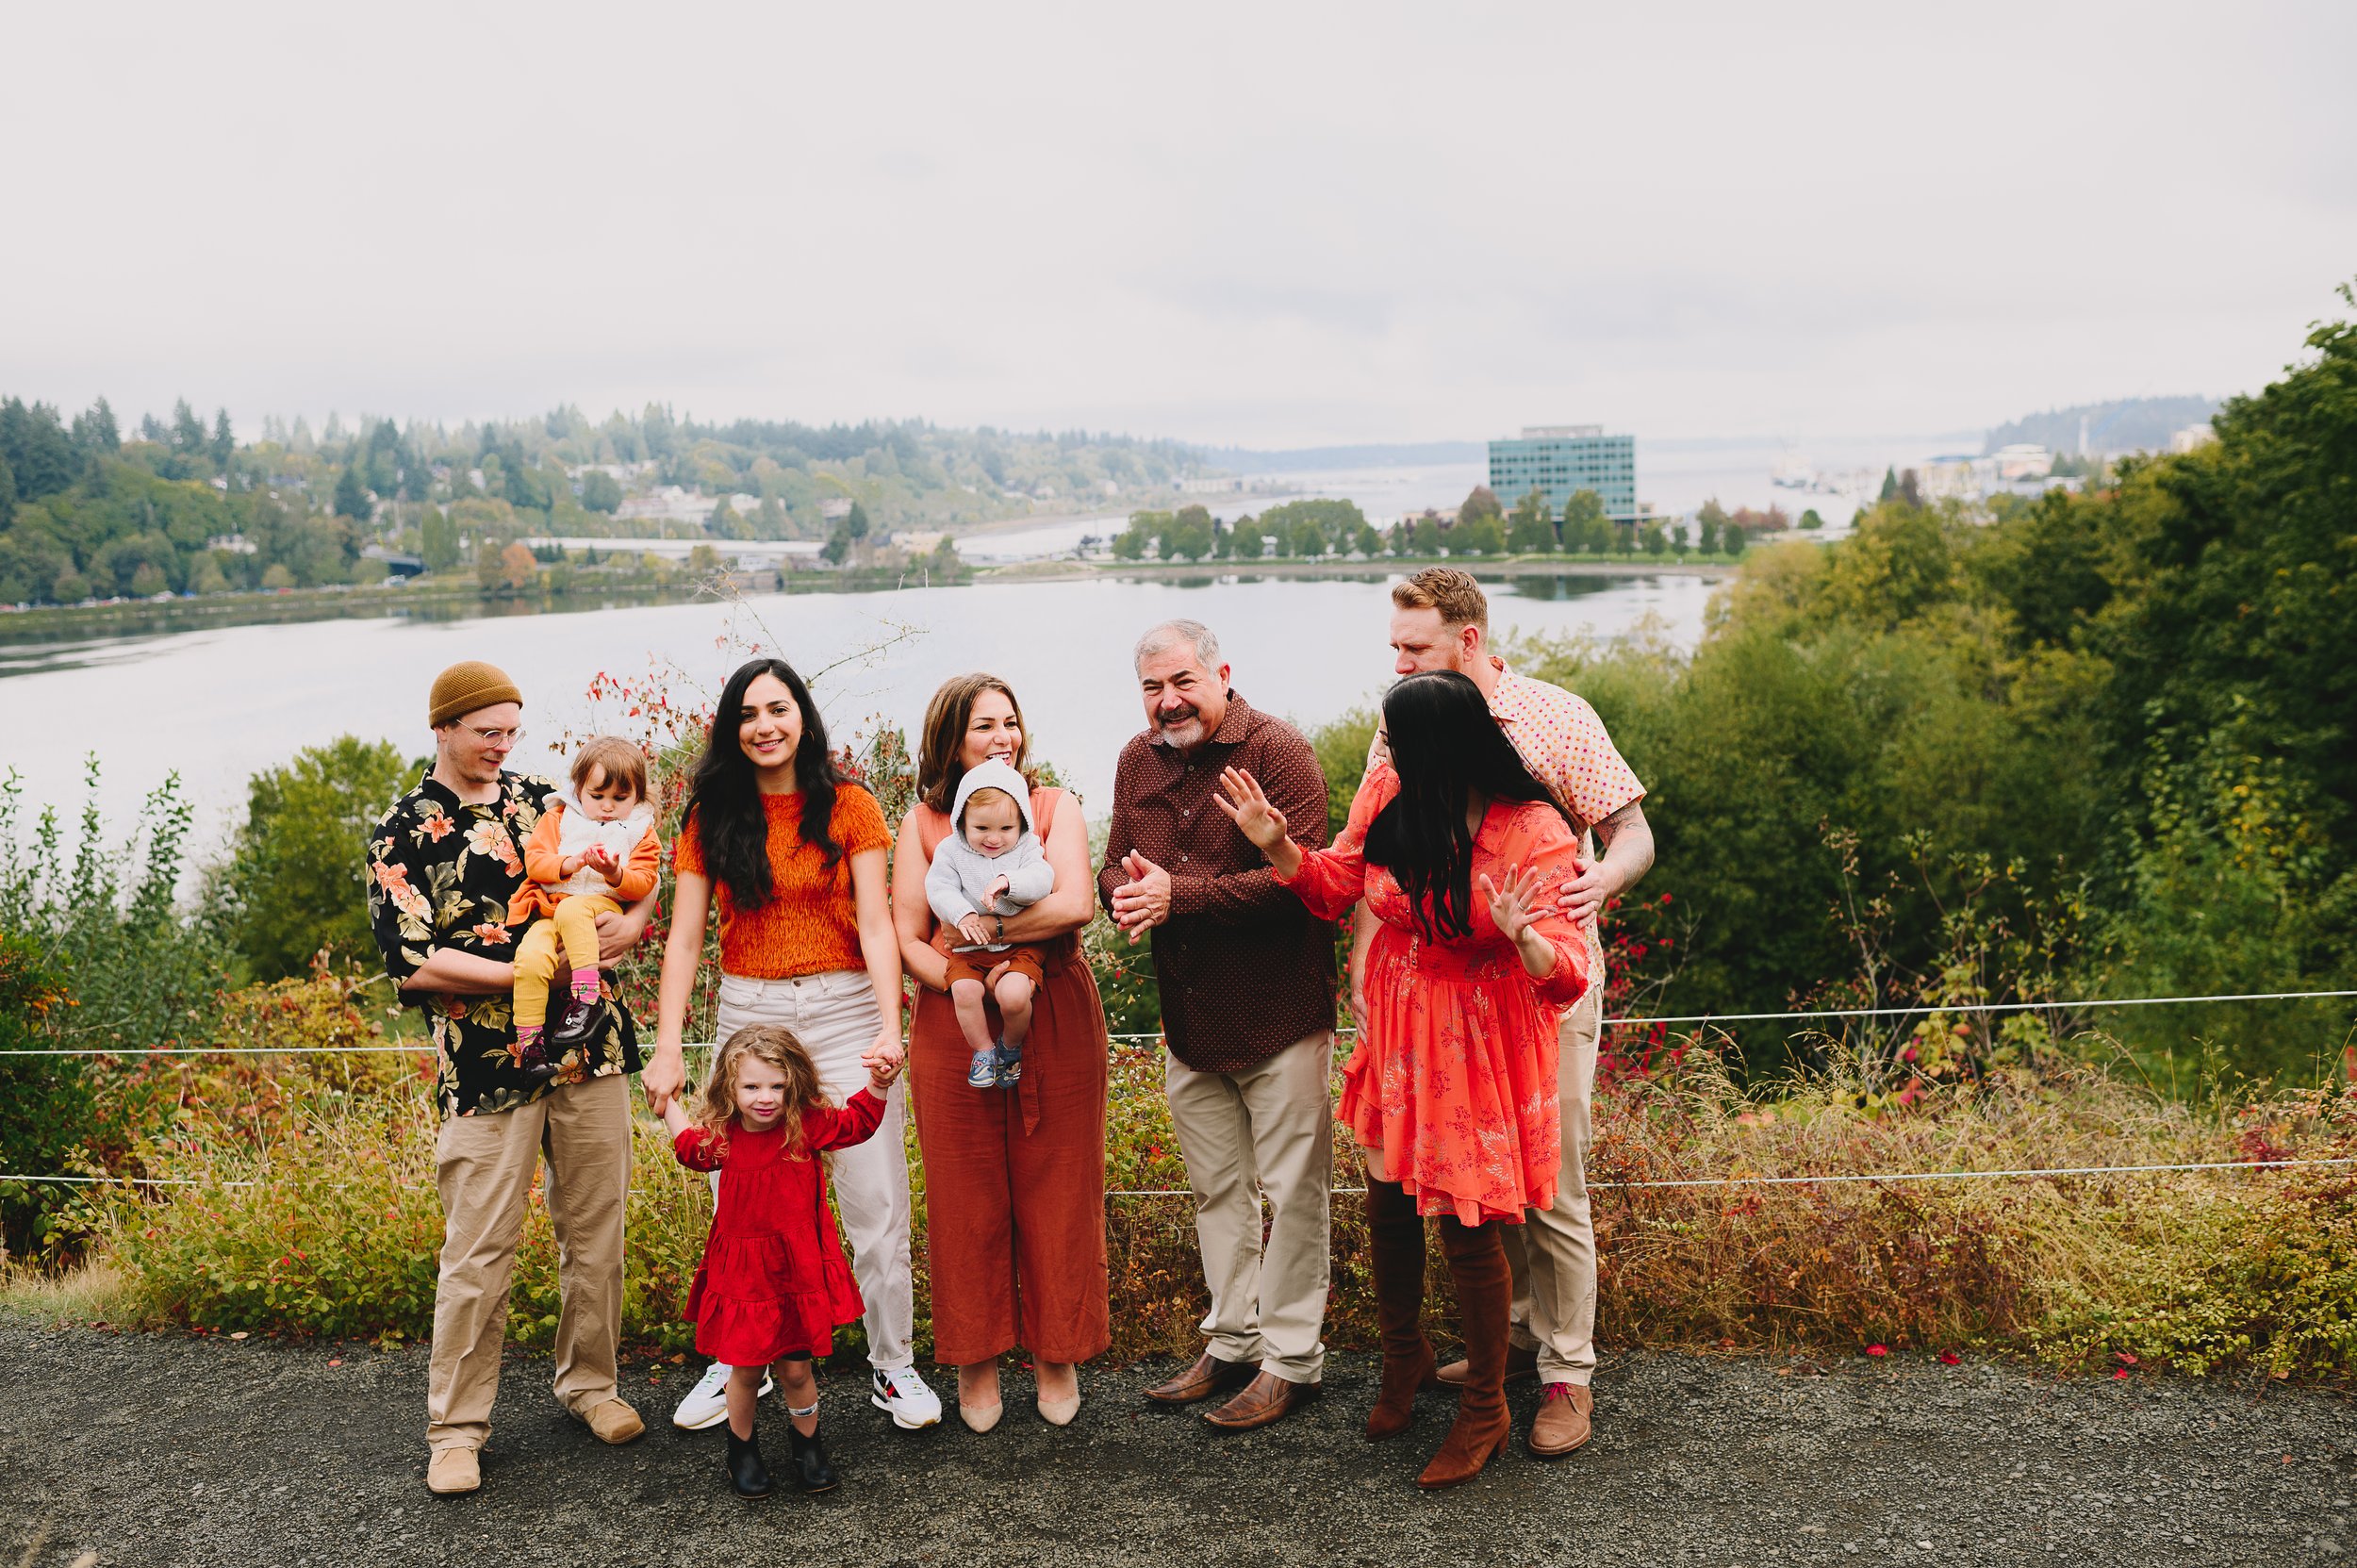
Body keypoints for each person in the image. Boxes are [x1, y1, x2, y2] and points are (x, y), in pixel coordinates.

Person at [1216, 668, 1592, 1489]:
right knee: (1387, 1196)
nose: (1382, 754)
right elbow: (1335, 886)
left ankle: (1486, 1406)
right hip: (1400, 1022)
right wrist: (1276, 844)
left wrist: (1521, 937)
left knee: (1463, 1220)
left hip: (1480, 1036)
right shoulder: (1392, 792)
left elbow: (1567, 973)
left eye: (1395, 741)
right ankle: (1404, 1359)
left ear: (1444, 747)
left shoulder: (1531, 826)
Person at [1362, 567, 1652, 1459]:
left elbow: (1631, 832)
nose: (1399, 660)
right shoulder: (1401, 723)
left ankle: (1569, 1370)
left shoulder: (1558, 718)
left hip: (1545, 982)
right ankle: (1516, 1339)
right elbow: (1378, 851)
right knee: (1484, 1186)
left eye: (1415, 646)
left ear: (1469, 641)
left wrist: (1600, 879)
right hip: (1442, 1003)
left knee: (1550, 1178)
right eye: (1397, 645)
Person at [366, 660, 658, 1497]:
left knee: (595, 1233)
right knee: (479, 1251)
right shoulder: (403, 830)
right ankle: (456, 1429)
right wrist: (531, 971)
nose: (501, 746)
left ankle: (591, 1386)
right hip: (485, 1066)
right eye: (486, 730)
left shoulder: (550, 803)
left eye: (510, 731)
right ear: (444, 728)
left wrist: (625, 931)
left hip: (590, 1049)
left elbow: (636, 877)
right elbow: (416, 964)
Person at [639, 656, 940, 1435]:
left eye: (778, 708)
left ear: (801, 715)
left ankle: (892, 1364)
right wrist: (668, 1046)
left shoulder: (851, 807)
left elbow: (877, 925)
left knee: (874, 1198)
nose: (764, 725)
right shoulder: (710, 816)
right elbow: (683, 940)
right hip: (750, 1012)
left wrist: (887, 1024)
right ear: (731, 729)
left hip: (843, 1008)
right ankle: (743, 1363)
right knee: (743, 1208)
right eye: (747, 713)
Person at [1100, 620, 1336, 1432]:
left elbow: (1304, 877)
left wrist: (1180, 895)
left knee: (1293, 1194)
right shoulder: (1137, 758)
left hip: (1280, 1013)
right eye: (1152, 687)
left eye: (1182, 682)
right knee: (1217, 1191)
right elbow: (1113, 860)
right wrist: (1125, 891)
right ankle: (1232, 1339)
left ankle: (1292, 1359)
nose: (1168, 702)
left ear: (1221, 674)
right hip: (1190, 1018)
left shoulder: (1278, 751)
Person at [890, 673, 1109, 1430]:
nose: (1002, 737)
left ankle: (1057, 1353)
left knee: (1058, 1185)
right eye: (983, 726)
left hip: (1052, 1009)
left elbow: (1074, 902)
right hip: (955, 1017)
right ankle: (976, 1362)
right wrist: (960, 969)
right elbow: (907, 935)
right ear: (950, 738)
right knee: (965, 1193)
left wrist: (978, 937)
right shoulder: (922, 823)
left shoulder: (1055, 808)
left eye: (1010, 722)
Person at [663, 1023, 905, 1499]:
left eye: (777, 1086)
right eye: (751, 1086)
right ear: (729, 1089)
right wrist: (666, 1102)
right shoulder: (726, 1138)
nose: (765, 1097)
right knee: (747, 1371)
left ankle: (808, 1445)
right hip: (745, 1278)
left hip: (795, 1271)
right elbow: (689, 1150)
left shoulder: (804, 1127)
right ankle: (742, 1448)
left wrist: (879, 1083)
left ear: (793, 1085)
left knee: (797, 1370)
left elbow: (857, 1123)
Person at [505, 735, 661, 1076]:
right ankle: (531, 1045)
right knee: (530, 957)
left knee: (574, 910)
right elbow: (536, 861)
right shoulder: (559, 817)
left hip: (600, 906)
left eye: (620, 798)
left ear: (637, 795)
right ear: (578, 789)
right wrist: (571, 863)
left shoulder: (640, 831)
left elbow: (645, 880)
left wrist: (616, 873)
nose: (607, 806)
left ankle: (586, 1000)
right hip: (551, 908)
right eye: (597, 796)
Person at [923, 757, 1057, 1090]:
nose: (994, 839)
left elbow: (1043, 878)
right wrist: (961, 914)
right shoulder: (951, 850)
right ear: (963, 820)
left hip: (1019, 944)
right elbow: (938, 887)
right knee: (963, 990)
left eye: (1005, 829)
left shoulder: (1027, 846)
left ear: (1021, 823)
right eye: (982, 829)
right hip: (970, 946)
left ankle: (1009, 1047)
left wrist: (1009, 882)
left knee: (1013, 997)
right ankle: (983, 1051)